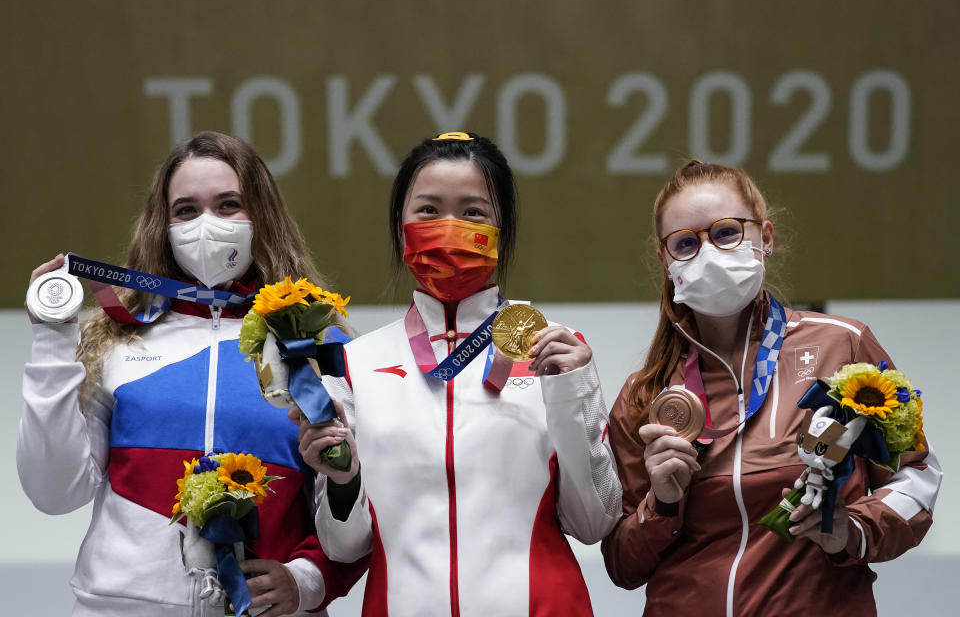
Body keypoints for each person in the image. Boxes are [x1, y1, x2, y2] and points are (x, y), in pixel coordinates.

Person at [17, 131, 365, 616]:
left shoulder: (317, 344)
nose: (207, 225)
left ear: (262, 216)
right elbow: (54, 492)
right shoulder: (115, 338)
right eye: (186, 210)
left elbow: (356, 512)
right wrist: (53, 342)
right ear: (162, 224)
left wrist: (305, 582)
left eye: (228, 206)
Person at [288, 132, 622, 616]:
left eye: (472, 212)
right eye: (428, 211)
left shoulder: (556, 348)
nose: (449, 228)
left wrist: (572, 390)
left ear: (501, 227)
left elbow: (595, 521)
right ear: (400, 225)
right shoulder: (356, 364)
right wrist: (343, 480)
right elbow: (344, 547)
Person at [600, 160, 943, 616]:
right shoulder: (648, 396)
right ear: (666, 260)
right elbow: (622, 566)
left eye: (726, 233)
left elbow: (916, 475)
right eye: (686, 243)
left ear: (765, 237)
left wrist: (850, 531)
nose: (708, 253)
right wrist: (661, 504)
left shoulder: (841, 344)